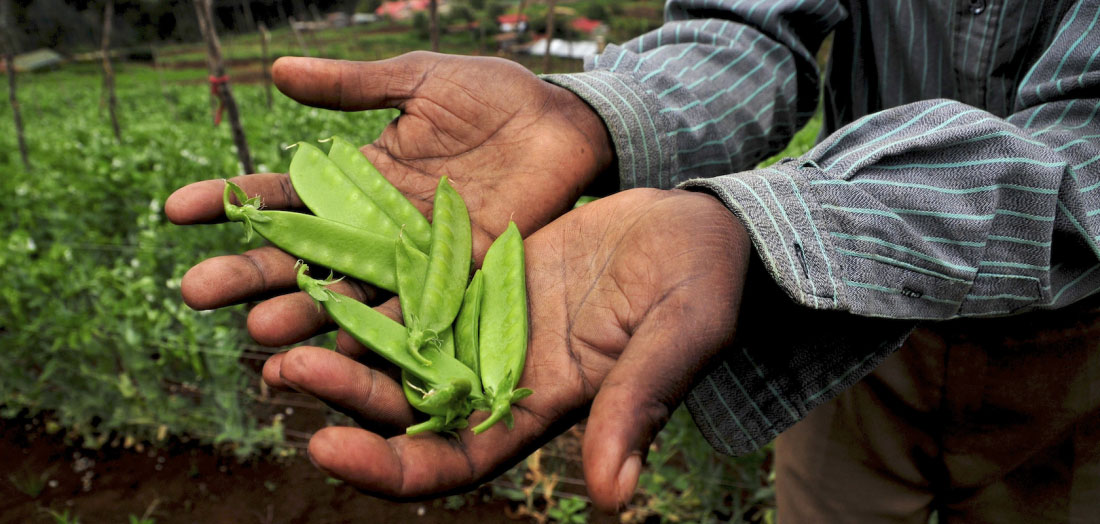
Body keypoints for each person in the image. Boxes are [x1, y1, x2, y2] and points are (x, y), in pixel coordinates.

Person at [165, 0, 1100, 520]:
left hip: (1073, 343)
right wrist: (592, 114)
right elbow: (743, 27)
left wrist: (757, 222)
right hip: (838, 321)